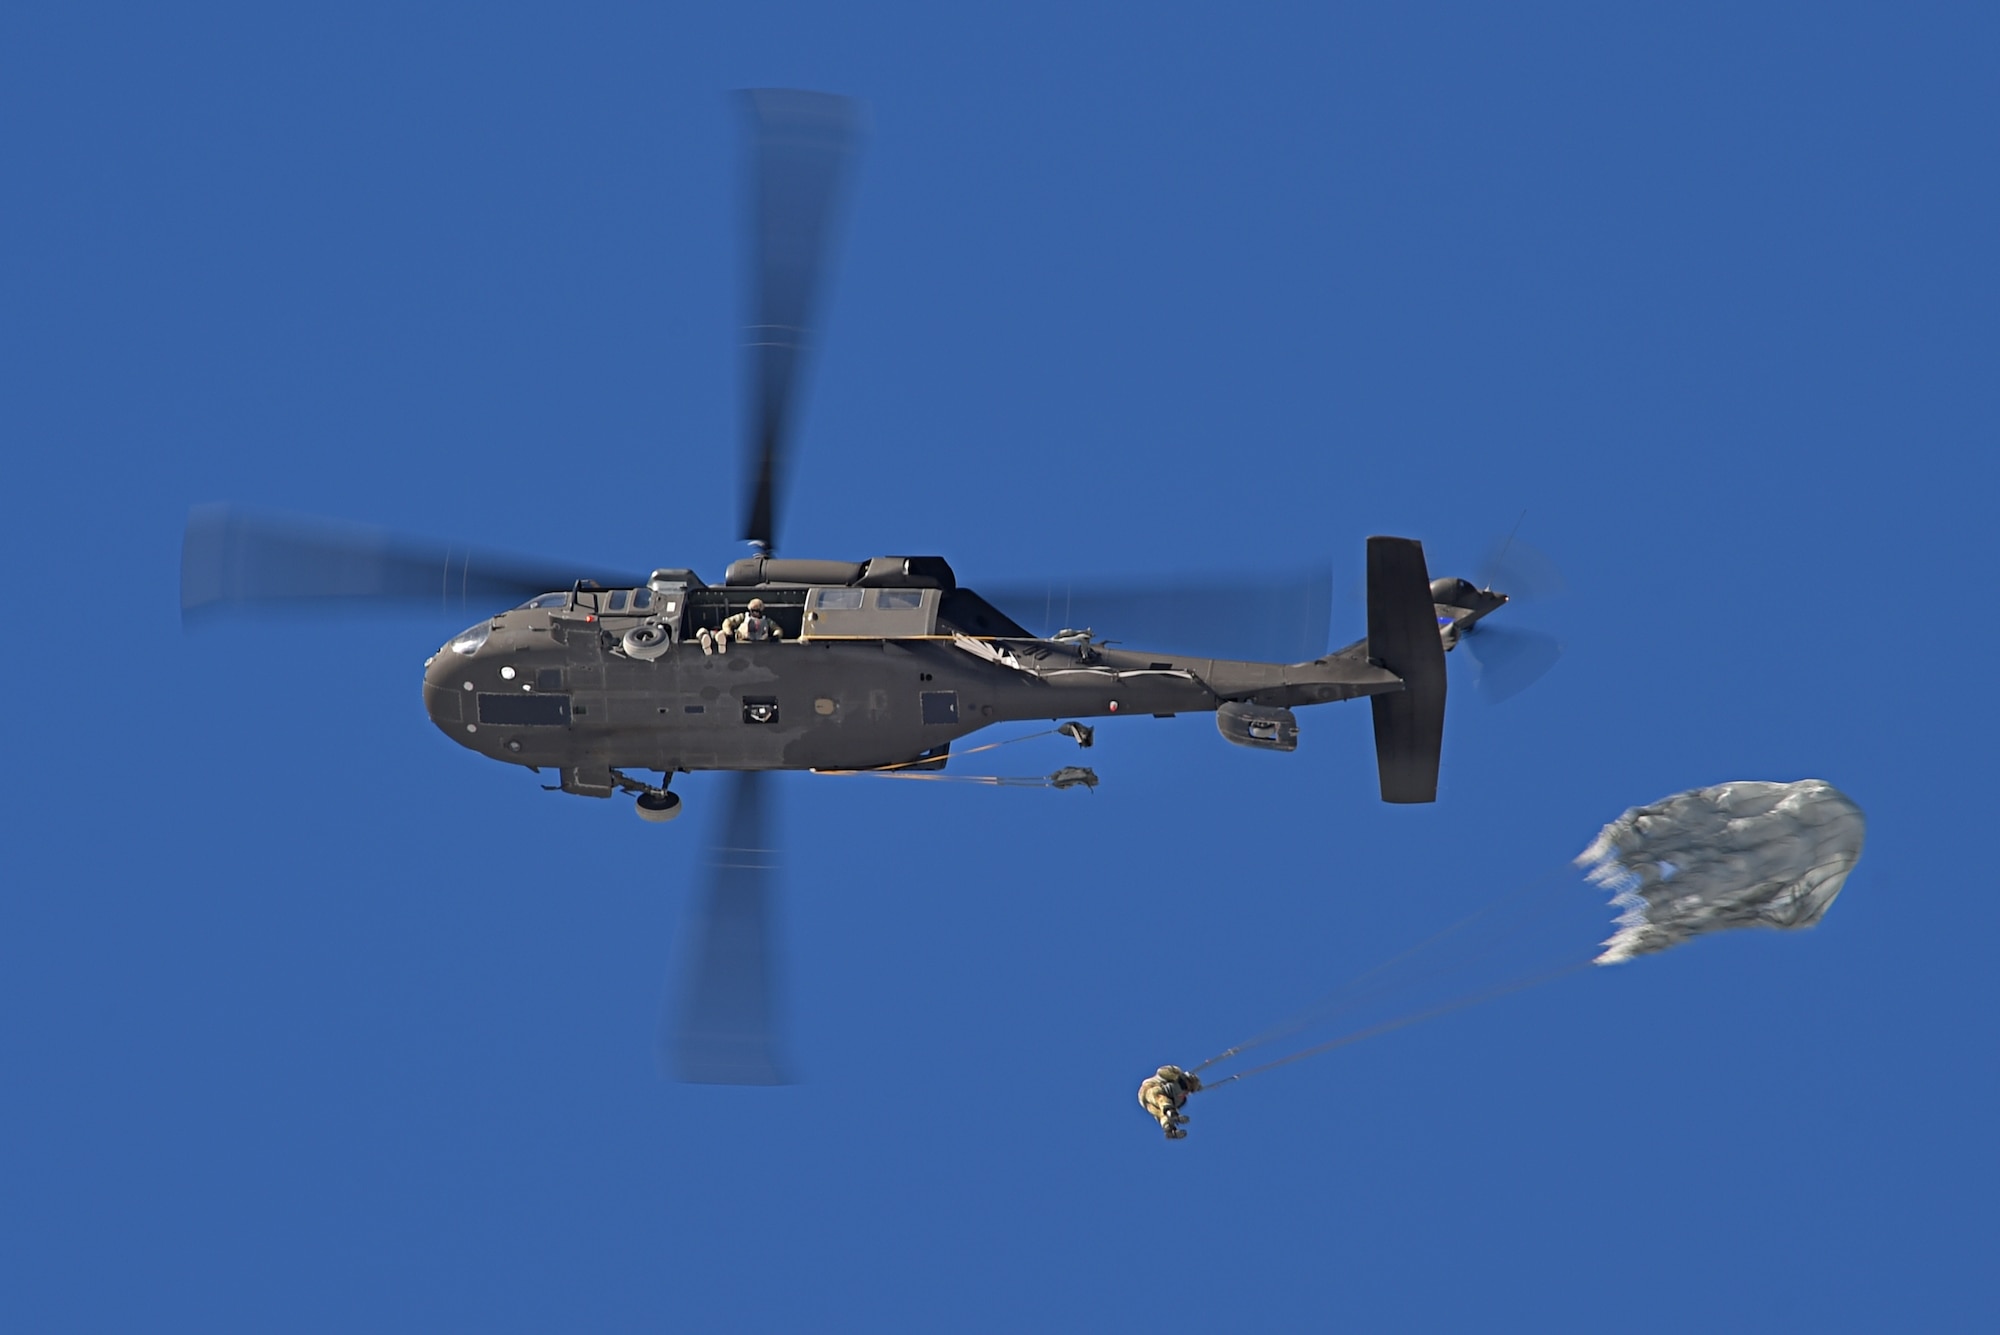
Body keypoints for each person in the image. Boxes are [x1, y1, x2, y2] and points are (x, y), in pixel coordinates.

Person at [1137, 1065, 1202, 1139]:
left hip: (1146, 1101)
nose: (1188, 1088)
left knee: (1160, 1113)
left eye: (1190, 1088)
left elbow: (1176, 1102)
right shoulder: (1175, 1078)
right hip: (1150, 1088)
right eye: (1189, 1084)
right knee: (1160, 1097)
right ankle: (1171, 1113)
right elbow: (1162, 1072)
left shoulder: (1181, 1097)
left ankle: (1169, 1129)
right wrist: (1177, 1073)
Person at [701, 598, 783, 654]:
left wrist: (776, 636)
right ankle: (717, 640)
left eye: (757, 611)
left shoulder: (767, 621)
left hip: (761, 642)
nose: (755, 613)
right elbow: (728, 622)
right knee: (719, 634)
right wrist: (728, 632)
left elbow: (777, 629)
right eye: (753, 611)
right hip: (741, 638)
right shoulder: (743, 617)